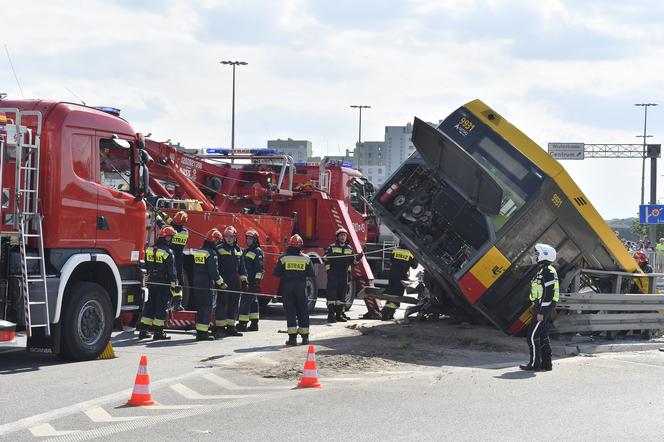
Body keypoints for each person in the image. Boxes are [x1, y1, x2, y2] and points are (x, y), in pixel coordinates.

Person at [520, 244, 559, 372]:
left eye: (537, 254)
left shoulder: (548, 271)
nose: (536, 256)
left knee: (531, 336)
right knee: (542, 335)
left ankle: (534, 364)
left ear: (544, 255)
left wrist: (541, 311)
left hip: (543, 308)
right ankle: (547, 364)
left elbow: (549, 294)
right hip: (541, 306)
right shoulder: (544, 270)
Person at [273, 234, 315, 346]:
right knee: (303, 311)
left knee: (290, 312)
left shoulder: (283, 257)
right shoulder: (306, 258)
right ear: (301, 245)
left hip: (287, 287)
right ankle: (305, 338)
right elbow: (312, 273)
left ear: (289, 245)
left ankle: (292, 339)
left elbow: (276, 273)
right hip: (301, 287)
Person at [140, 226, 179, 341]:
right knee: (161, 306)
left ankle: (143, 331)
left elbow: (145, 265)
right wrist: (175, 284)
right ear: (167, 238)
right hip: (163, 283)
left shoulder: (149, 249)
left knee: (149, 305)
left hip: (151, 281)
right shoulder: (168, 252)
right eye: (171, 237)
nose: (172, 240)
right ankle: (158, 332)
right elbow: (172, 270)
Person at [192, 228, 227, 341]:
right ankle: (203, 334)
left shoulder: (199, 252)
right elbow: (214, 272)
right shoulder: (212, 254)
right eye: (218, 241)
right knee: (207, 307)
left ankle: (199, 332)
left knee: (200, 307)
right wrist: (221, 284)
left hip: (196, 283)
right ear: (214, 240)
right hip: (206, 284)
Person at [213, 226, 248, 338]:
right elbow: (215, 266)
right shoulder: (219, 248)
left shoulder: (238, 250)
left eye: (231, 237)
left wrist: (244, 281)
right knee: (222, 304)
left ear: (235, 237)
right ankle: (220, 328)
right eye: (226, 236)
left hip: (234, 280)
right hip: (224, 279)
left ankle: (231, 327)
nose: (228, 239)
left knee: (234, 304)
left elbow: (242, 267)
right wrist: (218, 281)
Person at [324, 228, 362, 323]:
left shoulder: (349, 249)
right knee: (332, 296)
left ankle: (339, 315)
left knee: (341, 296)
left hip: (344, 275)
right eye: (341, 235)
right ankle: (331, 315)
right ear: (337, 237)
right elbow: (326, 259)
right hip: (333, 275)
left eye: (344, 235)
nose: (343, 237)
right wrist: (329, 272)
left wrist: (358, 258)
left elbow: (353, 263)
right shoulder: (332, 247)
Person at [156, 210, 189, 311]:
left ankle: (166, 302)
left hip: (168, 258)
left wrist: (157, 215)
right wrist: (163, 214)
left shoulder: (169, 231)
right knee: (178, 281)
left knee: (167, 280)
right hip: (179, 260)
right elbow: (173, 223)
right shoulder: (186, 232)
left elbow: (162, 225)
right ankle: (177, 303)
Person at [381, 242, 418, 320]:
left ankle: (388, 311)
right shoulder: (411, 253)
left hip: (392, 275)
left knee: (390, 293)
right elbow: (414, 266)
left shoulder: (395, 250)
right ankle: (389, 312)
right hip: (402, 276)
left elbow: (391, 260)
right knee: (397, 295)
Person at [238, 229, 264, 332]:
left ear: (255, 240)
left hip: (252, 281)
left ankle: (242, 324)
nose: (248, 240)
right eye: (247, 238)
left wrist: (257, 282)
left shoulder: (257, 251)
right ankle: (254, 324)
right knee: (253, 301)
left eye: (250, 238)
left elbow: (260, 269)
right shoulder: (246, 250)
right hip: (247, 280)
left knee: (245, 301)